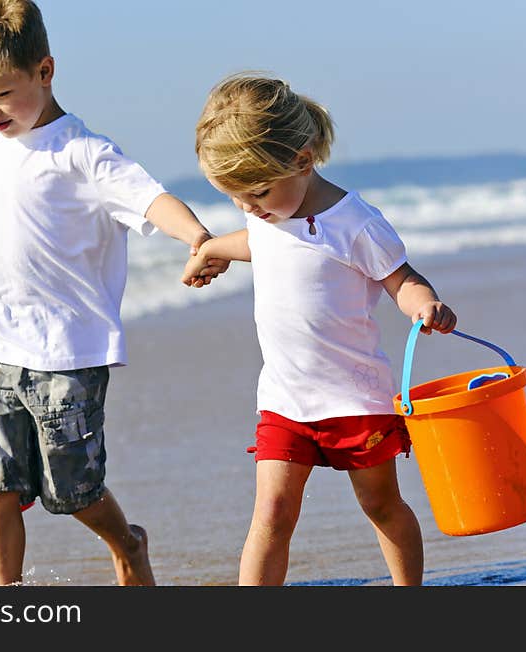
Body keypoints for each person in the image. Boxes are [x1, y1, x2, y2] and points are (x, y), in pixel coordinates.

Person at [0, 0, 227, 586]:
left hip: (68, 353)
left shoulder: (84, 152)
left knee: (72, 489)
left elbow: (150, 199)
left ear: (45, 72)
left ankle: (128, 543)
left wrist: (198, 237)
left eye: (2, 93)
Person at [183, 73, 458, 586]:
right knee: (271, 514)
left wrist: (425, 305)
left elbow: (400, 278)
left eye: (258, 192)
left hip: (354, 400)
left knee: (381, 505)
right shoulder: (268, 216)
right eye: (236, 197)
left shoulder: (356, 223)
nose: (250, 207)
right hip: (285, 401)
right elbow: (258, 240)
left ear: (303, 160)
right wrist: (212, 249)